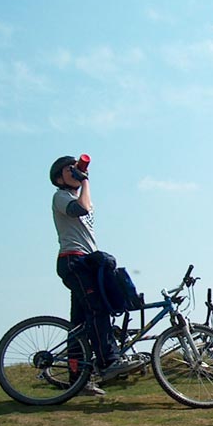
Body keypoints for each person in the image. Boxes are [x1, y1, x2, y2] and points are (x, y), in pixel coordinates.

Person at [49, 156, 141, 396]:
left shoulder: (76, 194)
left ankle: (77, 381)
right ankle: (109, 362)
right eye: (70, 170)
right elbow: (81, 209)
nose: (76, 172)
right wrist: (86, 182)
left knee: (79, 324)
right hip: (74, 261)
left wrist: (83, 181)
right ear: (59, 178)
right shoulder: (61, 196)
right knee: (97, 309)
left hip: (86, 262)